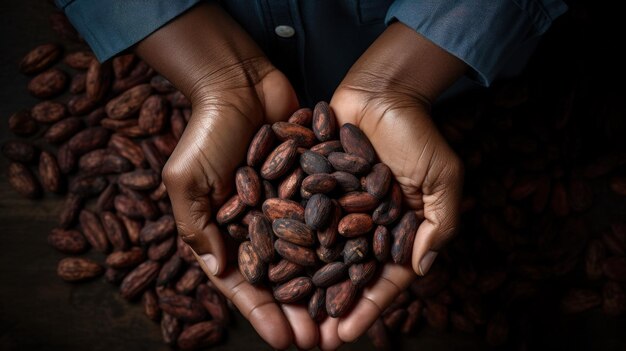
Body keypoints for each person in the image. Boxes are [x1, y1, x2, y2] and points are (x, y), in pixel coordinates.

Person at [56, 1, 567, 349]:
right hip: (195, 38)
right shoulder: (297, 209)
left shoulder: (338, 207)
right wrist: (216, 76)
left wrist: (400, 80)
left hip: (442, 62)